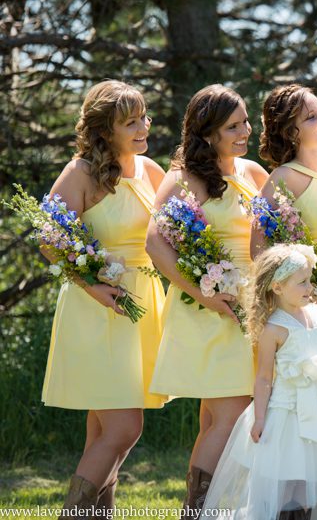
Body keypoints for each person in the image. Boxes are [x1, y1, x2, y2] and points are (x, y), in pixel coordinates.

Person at [43, 80, 167, 515]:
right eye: (130, 122)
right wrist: (94, 286)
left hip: (141, 306)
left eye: (144, 118)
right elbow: (50, 239)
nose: (142, 127)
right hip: (97, 309)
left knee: (103, 433)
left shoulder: (150, 170)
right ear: (103, 129)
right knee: (123, 429)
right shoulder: (81, 172)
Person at [146, 84, 268, 514]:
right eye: (233, 126)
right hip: (211, 309)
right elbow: (155, 244)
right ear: (207, 132)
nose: (245, 131)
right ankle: (198, 509)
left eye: (246, 122)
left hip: (251, 306)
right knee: (230, 414)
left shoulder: (252, 173)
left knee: (220, 417)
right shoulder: (185, 178)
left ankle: (205, 509)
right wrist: (205, 294)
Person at [202, 244, 317, 520]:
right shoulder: (273, 328)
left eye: (309, 280)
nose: (309, 287)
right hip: (286, 416)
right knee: (285, 483)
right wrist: (259, 418)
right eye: (302, 282)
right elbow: (263, 378)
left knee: (308, 483)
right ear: (278, 287)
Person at [252, 84, 317, 402]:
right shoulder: (282, 179)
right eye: (311, 117)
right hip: (307, 305)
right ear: (291, 133)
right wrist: (301, 295)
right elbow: (260, 251)